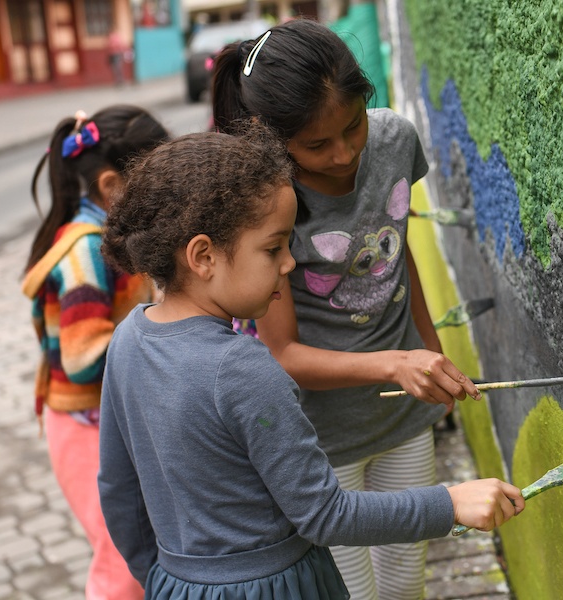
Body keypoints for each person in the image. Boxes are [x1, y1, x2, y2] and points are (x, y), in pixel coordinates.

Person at [96, 126, 524, 599]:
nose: (289, 265)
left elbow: (119, 490)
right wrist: (450, 503)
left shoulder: (128, 340)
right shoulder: (244, 369)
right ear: (203, 256)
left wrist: (162, 579)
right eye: (273, 247)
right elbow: (325, 514)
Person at [210, 17, 480, 599]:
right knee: (351, 592)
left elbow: (393, 250)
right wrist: (395, 363)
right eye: (316, 145)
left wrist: (431, 351)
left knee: (406, 581)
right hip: (318, 438)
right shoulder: (268, 199)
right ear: (273, 138)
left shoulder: (395, 141)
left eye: (353, 126)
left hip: (402, 417)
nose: (343, 153)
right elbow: (281, 353)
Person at [21, 105, 169, 600]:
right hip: (83, 426)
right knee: (122, 557)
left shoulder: (114, 239)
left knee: (141, 544)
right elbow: (85, 355)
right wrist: (165, 339)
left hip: (107, 418)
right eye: (154, 187)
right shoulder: (86, 251)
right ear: (111, 188)